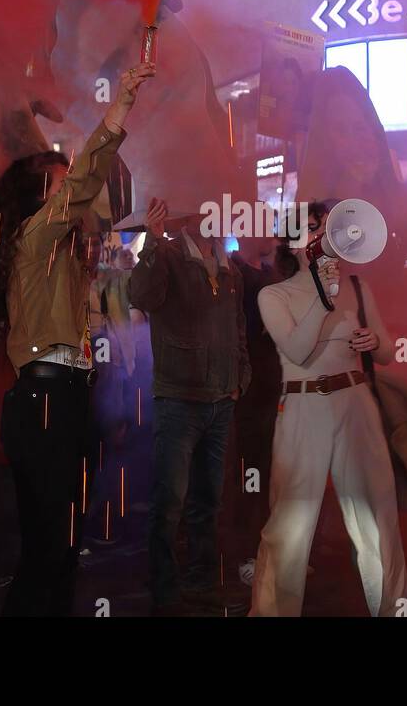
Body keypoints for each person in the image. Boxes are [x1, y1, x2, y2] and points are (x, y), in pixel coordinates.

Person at [0, 61, 154, 616]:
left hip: (67, 398)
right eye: (58, 182)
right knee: (49, 550)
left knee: (63, 549)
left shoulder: (63, 258)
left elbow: (103, 197)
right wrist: (119, 108)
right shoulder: (34, 236)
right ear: (37, 199)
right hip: (44, 400)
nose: (70, 189)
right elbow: (87, 179)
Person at [250, 222, 407, 616]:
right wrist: (323, 299)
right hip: (304, 406)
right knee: (291, 522)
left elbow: (389, 350)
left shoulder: (357, 287)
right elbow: (298, 351)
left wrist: (375, 342)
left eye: (327, 226)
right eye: (311, 229)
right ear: (292, 243)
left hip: (356, 401)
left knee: (377, 515)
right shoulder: (274, 294)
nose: (324, 234)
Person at [128, 198, 249, 615]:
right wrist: (151, 243)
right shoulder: (169, 254)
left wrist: (239, 379)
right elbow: (141, 294)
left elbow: (238, 328)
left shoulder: (228, 265)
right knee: (171, 502)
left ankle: (200, 580)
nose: (213, 219)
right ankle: (164, 587)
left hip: (220, 400)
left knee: (208, 501)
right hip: (180, 398)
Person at [221, 232, 283, 590]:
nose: (272, 234)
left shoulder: (273, 273)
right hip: (250, 391)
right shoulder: (236, 275)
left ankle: (270, 552)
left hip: (277, 386)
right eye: (265, 226)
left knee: (273, 474)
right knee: (249, 474)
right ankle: (246, 556)